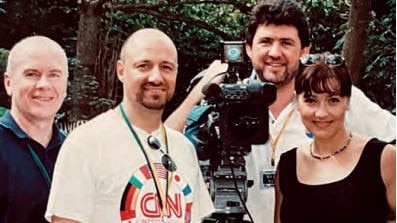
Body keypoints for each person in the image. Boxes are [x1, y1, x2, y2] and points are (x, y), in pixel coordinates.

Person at [165, 0, 396, 222]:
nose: (275, 53)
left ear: (304, 51)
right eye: (265, 42)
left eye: (286, 43)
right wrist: (201, 90)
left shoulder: (333, 98)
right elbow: (157, 148)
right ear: (248, 49)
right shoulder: (223, 101)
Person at [45, 28, 214, 223]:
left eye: (166, 67)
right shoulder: (85, 143)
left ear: (176, 72)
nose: (156, 77)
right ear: (121, 71)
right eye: (144, 66)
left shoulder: (184, 149)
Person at [274, 53, 396, 223]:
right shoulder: (287, 165)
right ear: (296, 102)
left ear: (347, 101)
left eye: (333, 100)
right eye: (311, 100)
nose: (322, 113)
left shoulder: (382, 158)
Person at [0, 36, 68, 222]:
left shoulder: (75, 151)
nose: (44, 85)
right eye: (31, 74)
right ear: (9, 83)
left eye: (54, 75)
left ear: (66, 85)